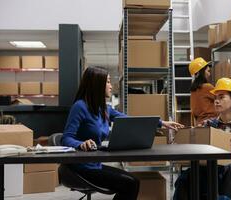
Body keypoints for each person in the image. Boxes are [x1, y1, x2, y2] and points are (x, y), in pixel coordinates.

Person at [61, 66, 184, 200]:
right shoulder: (80, 107)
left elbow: (130, 119)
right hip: (80, 169)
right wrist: (81, 144)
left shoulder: (104, 109)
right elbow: (66, 138)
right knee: (130, 184)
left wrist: (161, 123)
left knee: (133, 182)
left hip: (95, 165)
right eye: (107, 82)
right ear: (97, 84)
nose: (111, 86)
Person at [189, 57, 218, 125]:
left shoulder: (193, 89)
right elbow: (222, 96)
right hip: (210, 124)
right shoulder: (207, 87)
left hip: (199, 124)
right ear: (201, 72)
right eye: (208, 71)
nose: (209, 74)